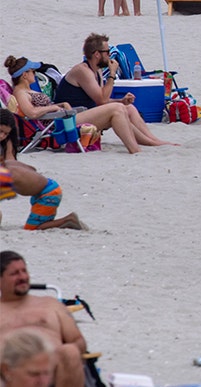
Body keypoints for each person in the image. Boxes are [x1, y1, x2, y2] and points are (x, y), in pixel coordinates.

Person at [54, 34, 172, 148]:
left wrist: (121, 100)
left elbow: (101, 100)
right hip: (69, 119)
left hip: (84, 113)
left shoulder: (97, 71)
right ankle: (141, 146)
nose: (110, 56)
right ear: (97, 54)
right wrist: (112, 74)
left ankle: (153, 140)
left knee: (128, 107)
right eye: (107, 52)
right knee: (117, 109)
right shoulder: (82, 71)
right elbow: (101, 100)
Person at [0, 252, 88, 387]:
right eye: (15, 273)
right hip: (8, 372)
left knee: (70, 351)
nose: (22, 277)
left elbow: (78, 341)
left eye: (24, 271)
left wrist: (47, 358)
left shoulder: (50, 305)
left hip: (50, 368)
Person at [0, 110, 84, 230]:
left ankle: (69, 220)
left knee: (32, 228)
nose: (2, 136)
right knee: (39, 221)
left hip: (48, 194)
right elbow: (31, 168)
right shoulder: (9, 164)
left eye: (5, 133)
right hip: (46, 189)